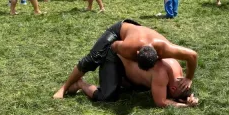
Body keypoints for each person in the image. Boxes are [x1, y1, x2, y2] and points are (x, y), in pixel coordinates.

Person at [53, 20, 198, 103]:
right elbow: (113, 47)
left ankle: (122, 79)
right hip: (119, 33)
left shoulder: (166, 50)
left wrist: (189, 78)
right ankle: (66, 87)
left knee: (138, 84)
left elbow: (192, 55)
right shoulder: (128, 47)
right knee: (93, 59)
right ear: (136, 54)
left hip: (139, 35)